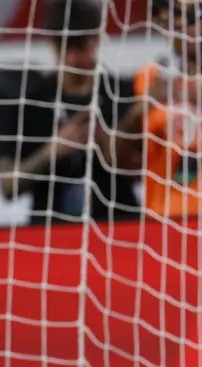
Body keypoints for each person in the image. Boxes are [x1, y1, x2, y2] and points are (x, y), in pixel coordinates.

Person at [0, 0, 140, 225]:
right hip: (50, 230)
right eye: (64, 48)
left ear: (95, 40)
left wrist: (109, 145)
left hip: (117, 226)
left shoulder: (122, 94)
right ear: (52, 44)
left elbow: (149, 169)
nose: (73, 59)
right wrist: (52, 151)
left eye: (80, 48)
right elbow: (7, 186)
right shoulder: (32, 103)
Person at [115, 2, 202, 223]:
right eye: (175, 18)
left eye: (190, 17)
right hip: (161, 218)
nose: (180, 27)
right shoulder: (149, 77)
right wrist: (140, 109)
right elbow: (115, 158)